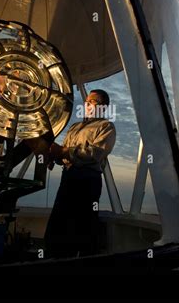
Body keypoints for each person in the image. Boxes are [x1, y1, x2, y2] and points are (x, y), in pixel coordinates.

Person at [44, 89, 116, 258]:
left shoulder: (106, 127)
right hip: (68, 178)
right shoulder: (74, 127)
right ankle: (55, 256)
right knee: (60, 223)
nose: (88, 104)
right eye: (87, 101)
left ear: (103, 107)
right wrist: (54, 156)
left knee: (83, 224)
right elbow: (65, 154)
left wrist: (62, 152)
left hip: (87, 181)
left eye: (94, 102)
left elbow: (94, 154)